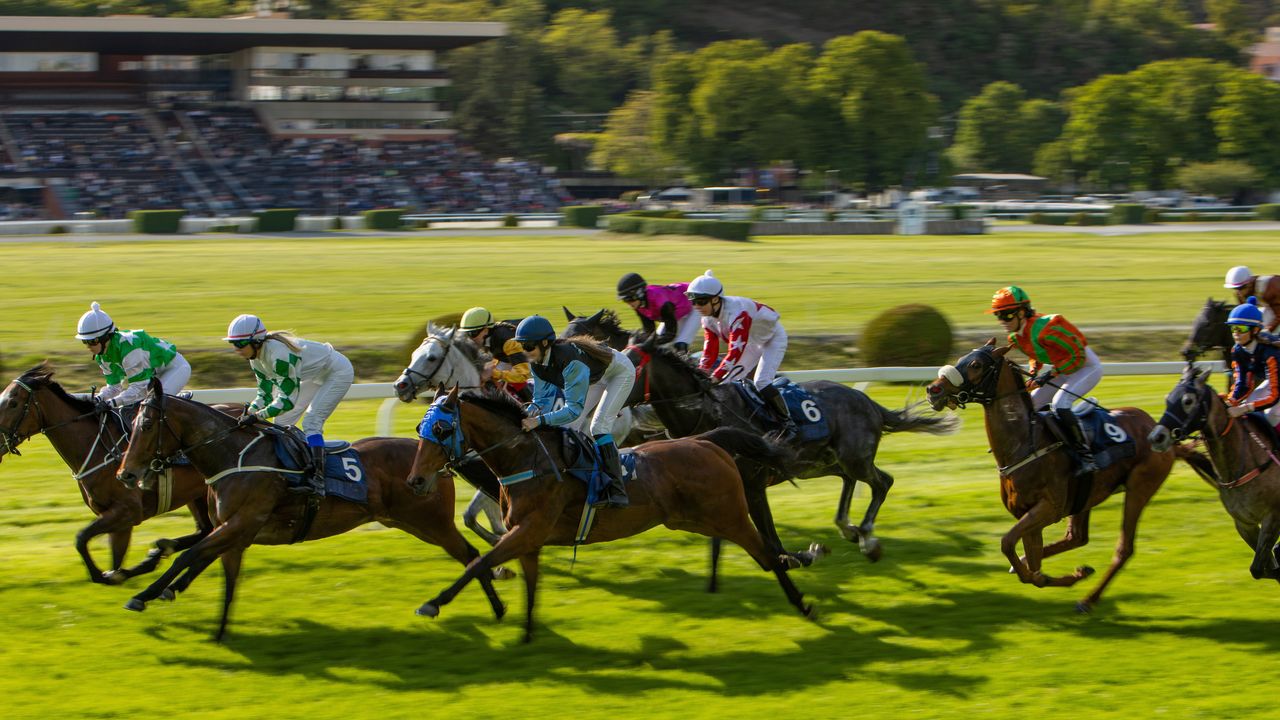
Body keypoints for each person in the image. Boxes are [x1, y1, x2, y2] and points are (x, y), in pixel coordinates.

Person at [224, 314, 355, 495]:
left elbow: (287, 401)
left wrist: (257, 416)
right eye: (233, 344)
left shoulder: (280, 355)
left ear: (256, 341)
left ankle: (318, 477)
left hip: (337, 372)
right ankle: (292, 470)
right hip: (314, 375)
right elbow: (265, 394)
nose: (236, 349)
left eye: (240, 344)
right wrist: (251, 410)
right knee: (281, 422)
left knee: (312, 422)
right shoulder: (256, 358)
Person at [514, 315, 634, 509]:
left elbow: (573, 410)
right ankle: (581, 477)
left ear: (544, 343)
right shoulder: (537, 363)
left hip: (619, 373)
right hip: (595, 376)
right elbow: (541, 401)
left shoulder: (571, 362)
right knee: (567, 428)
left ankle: (617, 490)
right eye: (522, 346)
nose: (525, 352)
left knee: (598, 427)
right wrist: (526, 414)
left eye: (528, 346)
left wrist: (539, 421)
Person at [989, 285, 1100, 474]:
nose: (1002, 321)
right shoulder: (1016, 337)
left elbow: (1077, 356)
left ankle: (1086, 456)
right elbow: (1036, 354)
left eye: (1006, 315)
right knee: (1030, 405)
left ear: (1021, 313)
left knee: (1060, 403)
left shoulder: (1046, 328)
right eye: (998, 315)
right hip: (1063, 369)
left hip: (1086, 367)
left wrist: (1049, 375)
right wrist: (1034, 371)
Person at [686, 269, 796, 436]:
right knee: (727, 384)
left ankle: (787, 423)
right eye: (693, 302)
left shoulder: (737, 312)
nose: (697, 307)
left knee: (762, 382)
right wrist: (702, 372)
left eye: (701, 302)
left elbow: (735, 352)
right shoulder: (707, 318)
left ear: (715, 299)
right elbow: (710, 349)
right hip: (752, 343)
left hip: (772, 339)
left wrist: (715, 376)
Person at [76, 301, 190, 408]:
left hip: (175, 368)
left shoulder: (129, 348)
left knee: (153, 405)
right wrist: (98, 399)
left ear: (106, 337)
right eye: (84, 341)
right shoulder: (102, 357)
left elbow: (139, 388)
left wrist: (112, 403)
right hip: (152, 377)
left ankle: (181, 404)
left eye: (92, 341)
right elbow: (114, 387)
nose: (88, 346)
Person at [1224, 297, 1280, 427]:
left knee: (1272, 415)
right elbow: (1243, 384)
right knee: (1251, 401)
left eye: (1241, 328)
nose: (1236, 333)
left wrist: (1245, 408)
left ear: (1255, 330)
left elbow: (1274, 395)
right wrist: (1231, 401)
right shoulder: (1237, 350)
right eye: (1233, 328)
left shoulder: (1270, 353)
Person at [615, 272, 699, 353]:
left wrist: (650, 342)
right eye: (625, 300)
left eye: (629, 299)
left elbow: (670, 334)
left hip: (696, 303)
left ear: (639, 294)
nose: (629, 304)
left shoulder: (660, 301)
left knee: (680, 345)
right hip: (676, 312)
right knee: (657, 346)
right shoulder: (639, 305)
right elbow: (649, 331)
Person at [458, 307, 531, 395]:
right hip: (508, 357)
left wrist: (494, 373)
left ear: (485, 330)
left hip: (535, 358)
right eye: (466, 334)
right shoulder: (486, 338)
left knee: (504, 379)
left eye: (472, 333)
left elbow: (522, 375)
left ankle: (530, 400)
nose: (470, 339)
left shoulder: (508, 341)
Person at [1224, 266, 1280, 332]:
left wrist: (1268, 330)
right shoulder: (1239, 294)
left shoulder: (1269, 288)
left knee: (1267, 330)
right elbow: (1245, 317)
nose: (1238, 292)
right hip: (1272, 307)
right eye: (1234, 289)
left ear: (1249, 284)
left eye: (1240, 288)